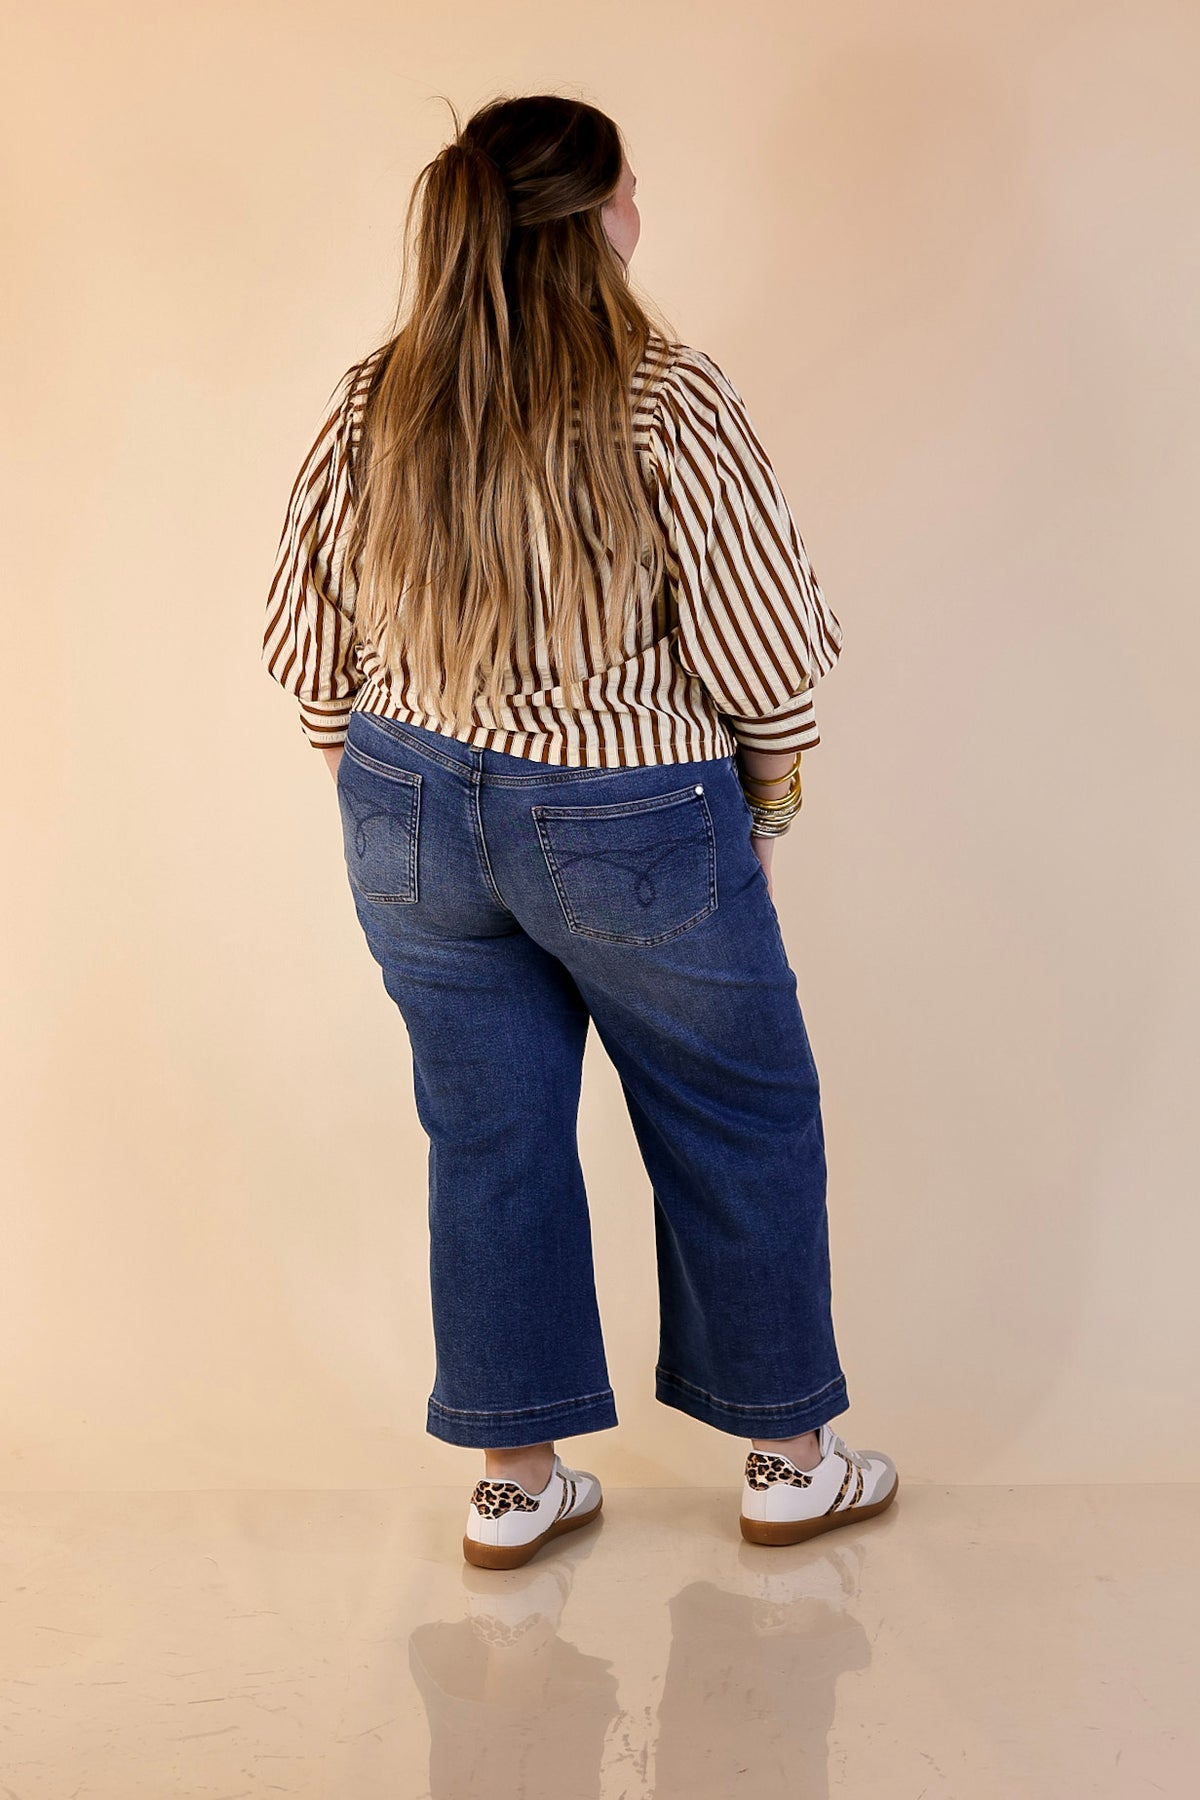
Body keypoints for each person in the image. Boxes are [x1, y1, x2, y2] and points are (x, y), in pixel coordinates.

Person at [262, 92, 898, 1569]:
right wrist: (769, 798)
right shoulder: (662, 397)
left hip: (407, 802)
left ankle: (513, 1480)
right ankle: (789, 1464)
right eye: (628, 189)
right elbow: (766, 655)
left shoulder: (376, 397)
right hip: (627, 809)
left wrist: (385, 783)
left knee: (489, 1134)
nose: (637, 210)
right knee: (737, 1113)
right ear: (595, 218)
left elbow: (308, 645)